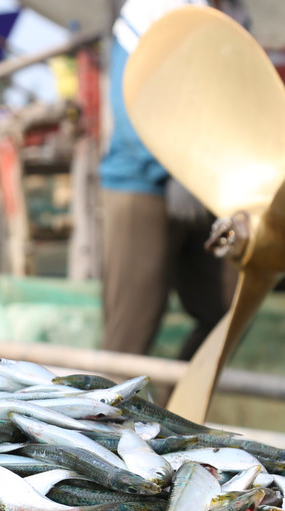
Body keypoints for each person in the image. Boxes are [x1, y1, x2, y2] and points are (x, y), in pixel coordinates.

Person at [99, 0, 246, 360]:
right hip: (143, 183)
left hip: (207, 184)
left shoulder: (234, 12)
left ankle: (176, 410)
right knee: (130, 332)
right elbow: (128, 100)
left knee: (227, 311)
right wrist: (174, 169)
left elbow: (241, 99)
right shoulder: (154, 7)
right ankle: (96, 415)